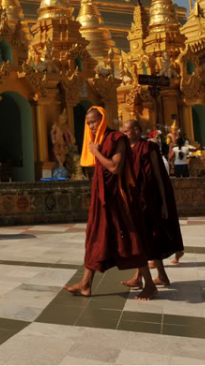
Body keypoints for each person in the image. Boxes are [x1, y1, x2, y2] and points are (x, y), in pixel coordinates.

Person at [63, 107, 158, 300]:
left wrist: (96, 153)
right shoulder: (96, 141)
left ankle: (149, 284)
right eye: (88, 123)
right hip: (102, 200)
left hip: (120, 200)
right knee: (95, 238)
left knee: (131, 239)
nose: (91, 126)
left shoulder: (117, 138)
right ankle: (86, 284)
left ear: (103, 120)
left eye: (94, 121)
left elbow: (115, 167)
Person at [122, 120, 185, 287]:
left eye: (127, 131)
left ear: (136, 130)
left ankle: (142, 277)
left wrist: (164, 203)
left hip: (151, 200)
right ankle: (158, 275)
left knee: (148, 238)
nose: (125, 134)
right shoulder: (127, 150)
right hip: (135, 200)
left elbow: (158, 176)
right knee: (145, 238)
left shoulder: (149, 148)